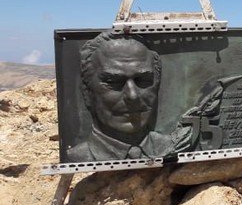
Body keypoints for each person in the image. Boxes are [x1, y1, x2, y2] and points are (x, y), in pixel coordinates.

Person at [69, 32, 177, 162]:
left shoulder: (176, 146)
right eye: (114, 82)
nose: (132, 96)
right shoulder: (76, 156)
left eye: (142, 80)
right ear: (87, 93)